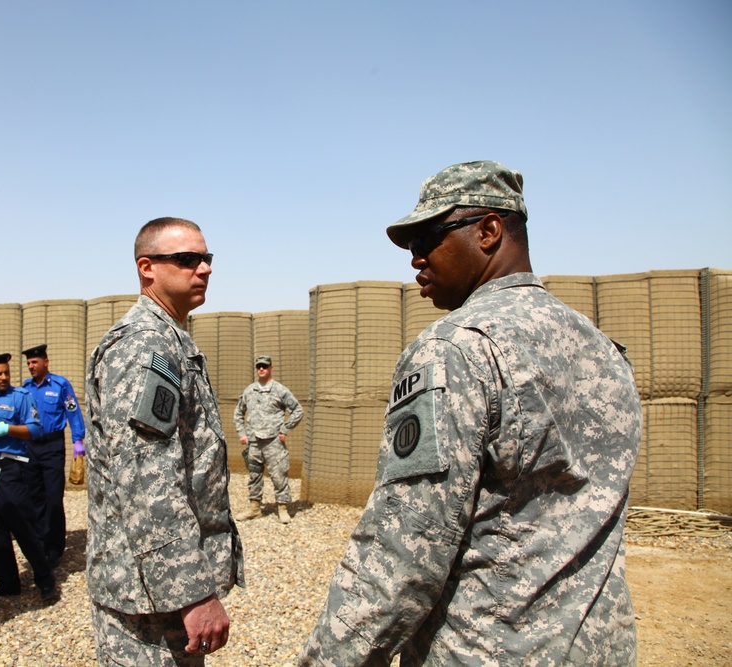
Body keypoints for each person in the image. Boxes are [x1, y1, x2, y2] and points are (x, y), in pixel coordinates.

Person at [299, 161, 642, 666]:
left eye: (428, 238)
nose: (415, 259)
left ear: (489, 231)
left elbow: (404, 551)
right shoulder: (602, 348)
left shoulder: (454, 349)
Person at [86, 217, 244, 666]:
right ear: (147, 268)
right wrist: (191, 592)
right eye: (187, 259)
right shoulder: (145, 345)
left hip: (155, 589)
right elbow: (146, 477)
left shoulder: (169, 338)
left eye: (207, 258)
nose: (205, 269)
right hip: (149, 595)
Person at [0, 353, 57, 600]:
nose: (4, 377)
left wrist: (7, 428)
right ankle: (7, 580)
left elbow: (36, 429)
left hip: (8, 470)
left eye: (6, 372)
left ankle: (45, 578)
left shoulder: (20, 398)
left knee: (23, 527)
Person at [22, 343, 85, 566]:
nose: (31, 366)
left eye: (34, 362)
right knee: (34, 497)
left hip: (52, 447)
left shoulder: (59, 384)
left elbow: (72, 409)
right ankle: (39, 541)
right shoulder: (25, 388)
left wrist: (78, 439)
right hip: (30, 447)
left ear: (45, 363)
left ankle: (54, 546)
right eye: (28, 363)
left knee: (53, 498)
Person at [233, 355, 304, 524]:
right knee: (254, 475)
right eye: (259, 367)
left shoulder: (280, 390)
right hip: (254, 441)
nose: (261, 369)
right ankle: (255, 508)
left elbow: (298, 410)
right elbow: (238, 413)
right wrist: (242, 433)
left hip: (273, 442)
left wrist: (285, 429)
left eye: (265, 366)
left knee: (279, 475)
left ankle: (282, 509)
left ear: (271, 368)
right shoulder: (249, 391)